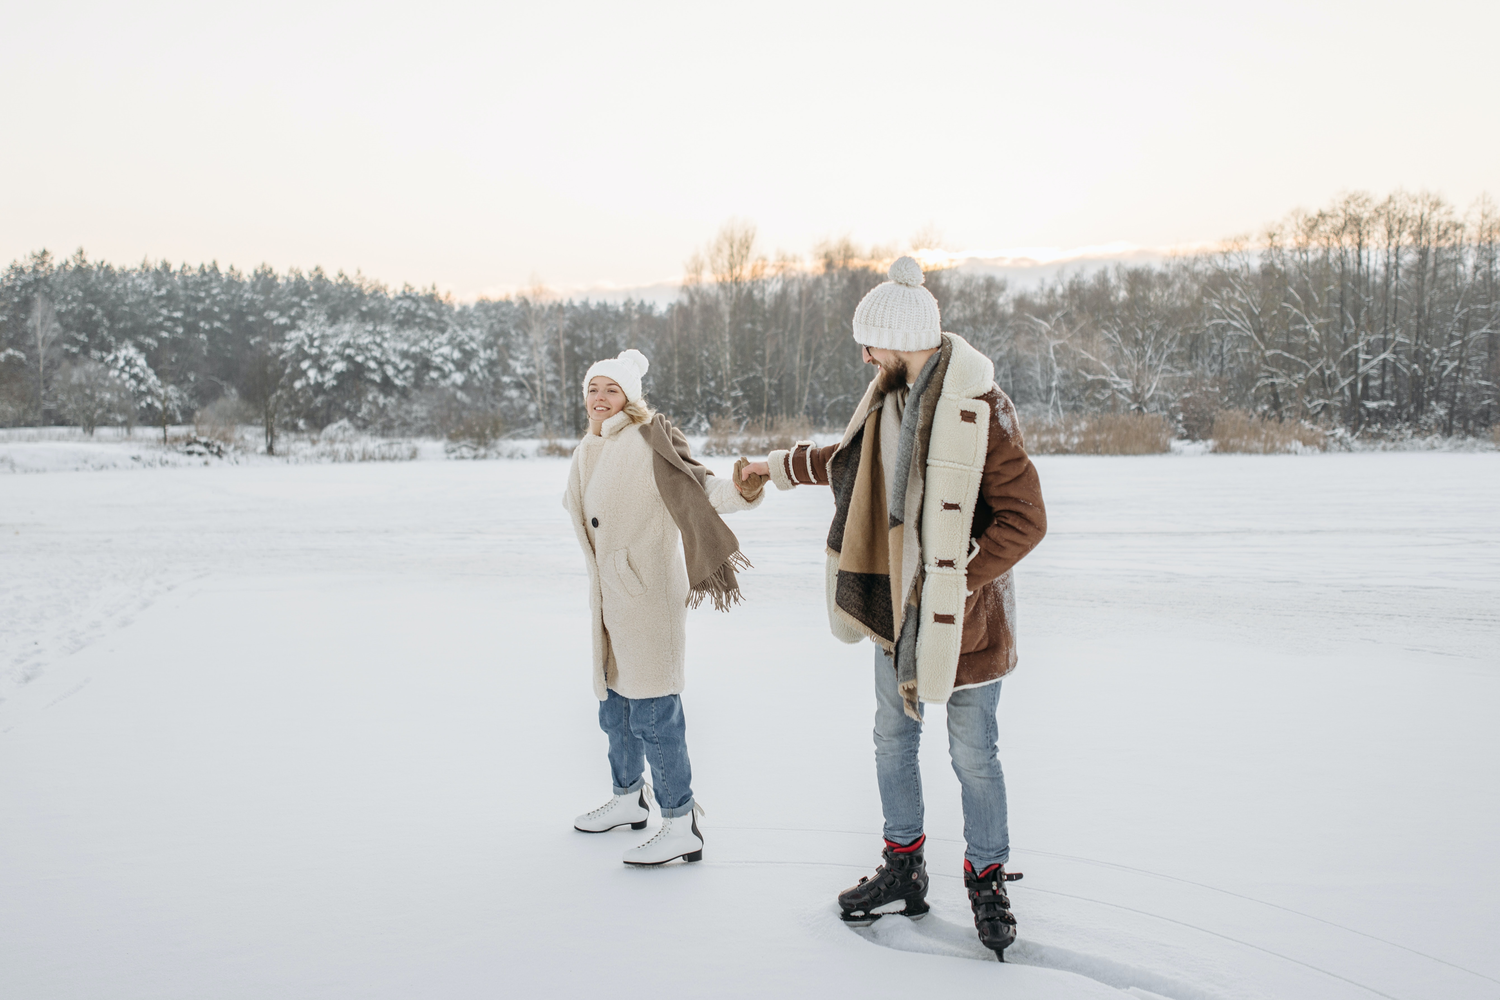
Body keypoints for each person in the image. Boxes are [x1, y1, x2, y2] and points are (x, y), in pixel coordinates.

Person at [739, 257, 1046, 959]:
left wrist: (954, 579)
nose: (864, 355)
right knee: (892, 742)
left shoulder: (981, 409)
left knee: (975, 757)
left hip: (966, 625)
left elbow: (1025, 520)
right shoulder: (885, 399)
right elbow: (846, 461)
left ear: (901, 337)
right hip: (891, 610)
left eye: (870, 342)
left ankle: (987, 877)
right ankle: (904, 867)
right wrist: (774, 469)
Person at [563, 349, 767, 866]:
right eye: (593, 389)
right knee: (615, 708)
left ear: (629, 396)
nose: (600, 398)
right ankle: (627, 800)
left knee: (655, 712)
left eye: (611, 390)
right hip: (609, 601)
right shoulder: (588, 447)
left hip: (648, 596)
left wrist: (742, 490)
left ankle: (681, 823)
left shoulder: (649, 439)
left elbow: (700, 488)